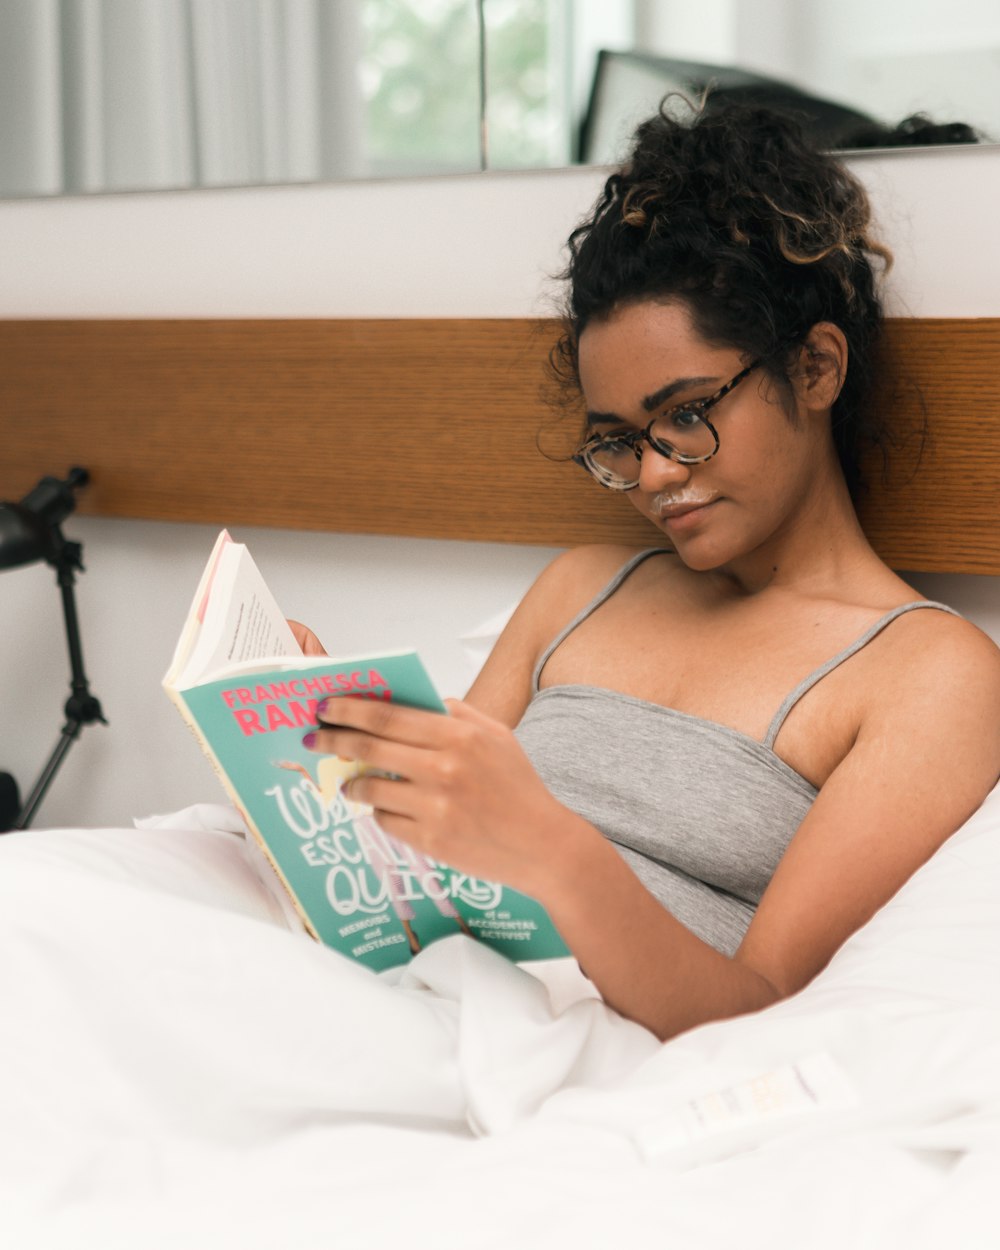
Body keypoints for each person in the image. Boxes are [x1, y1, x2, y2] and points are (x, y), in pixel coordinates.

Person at [292, 100, 1000, 1042]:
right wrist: (339, 743)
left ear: (817, 368)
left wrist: (559, 857)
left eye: (689, 413)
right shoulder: (581, 588)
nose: (656, 474)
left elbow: (761, 1008)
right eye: (618, 441)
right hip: (418, 993)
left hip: (605, 1054)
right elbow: (429, 858)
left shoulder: (929, 674)